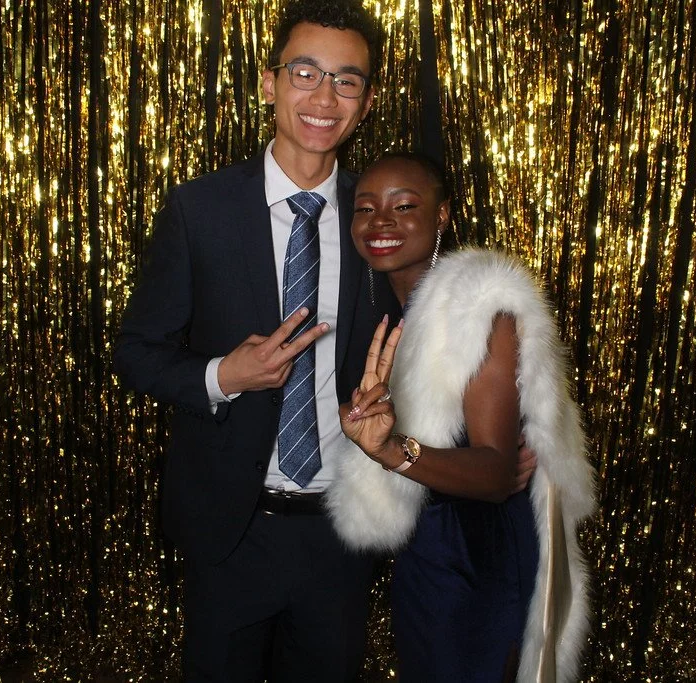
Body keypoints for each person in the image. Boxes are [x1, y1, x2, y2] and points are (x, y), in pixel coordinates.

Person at [112, 2, 401, 680]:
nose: (324, 97)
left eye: (347, 80)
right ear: (269, 82)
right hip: (230, 529)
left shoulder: (382, 219)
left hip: (343, 529)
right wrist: (223, 375)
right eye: (306, 72)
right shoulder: (199, 210)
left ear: (366, 99)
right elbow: (136, 351)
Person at [325, 153, 596, 682]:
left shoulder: (479, 310)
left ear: (442, 216)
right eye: (365, 208)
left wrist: (390, 451)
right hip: (428, 544)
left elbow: (497, 474)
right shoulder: (387, 307)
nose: (380, 222)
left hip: (476, 553)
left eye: (404, 206)